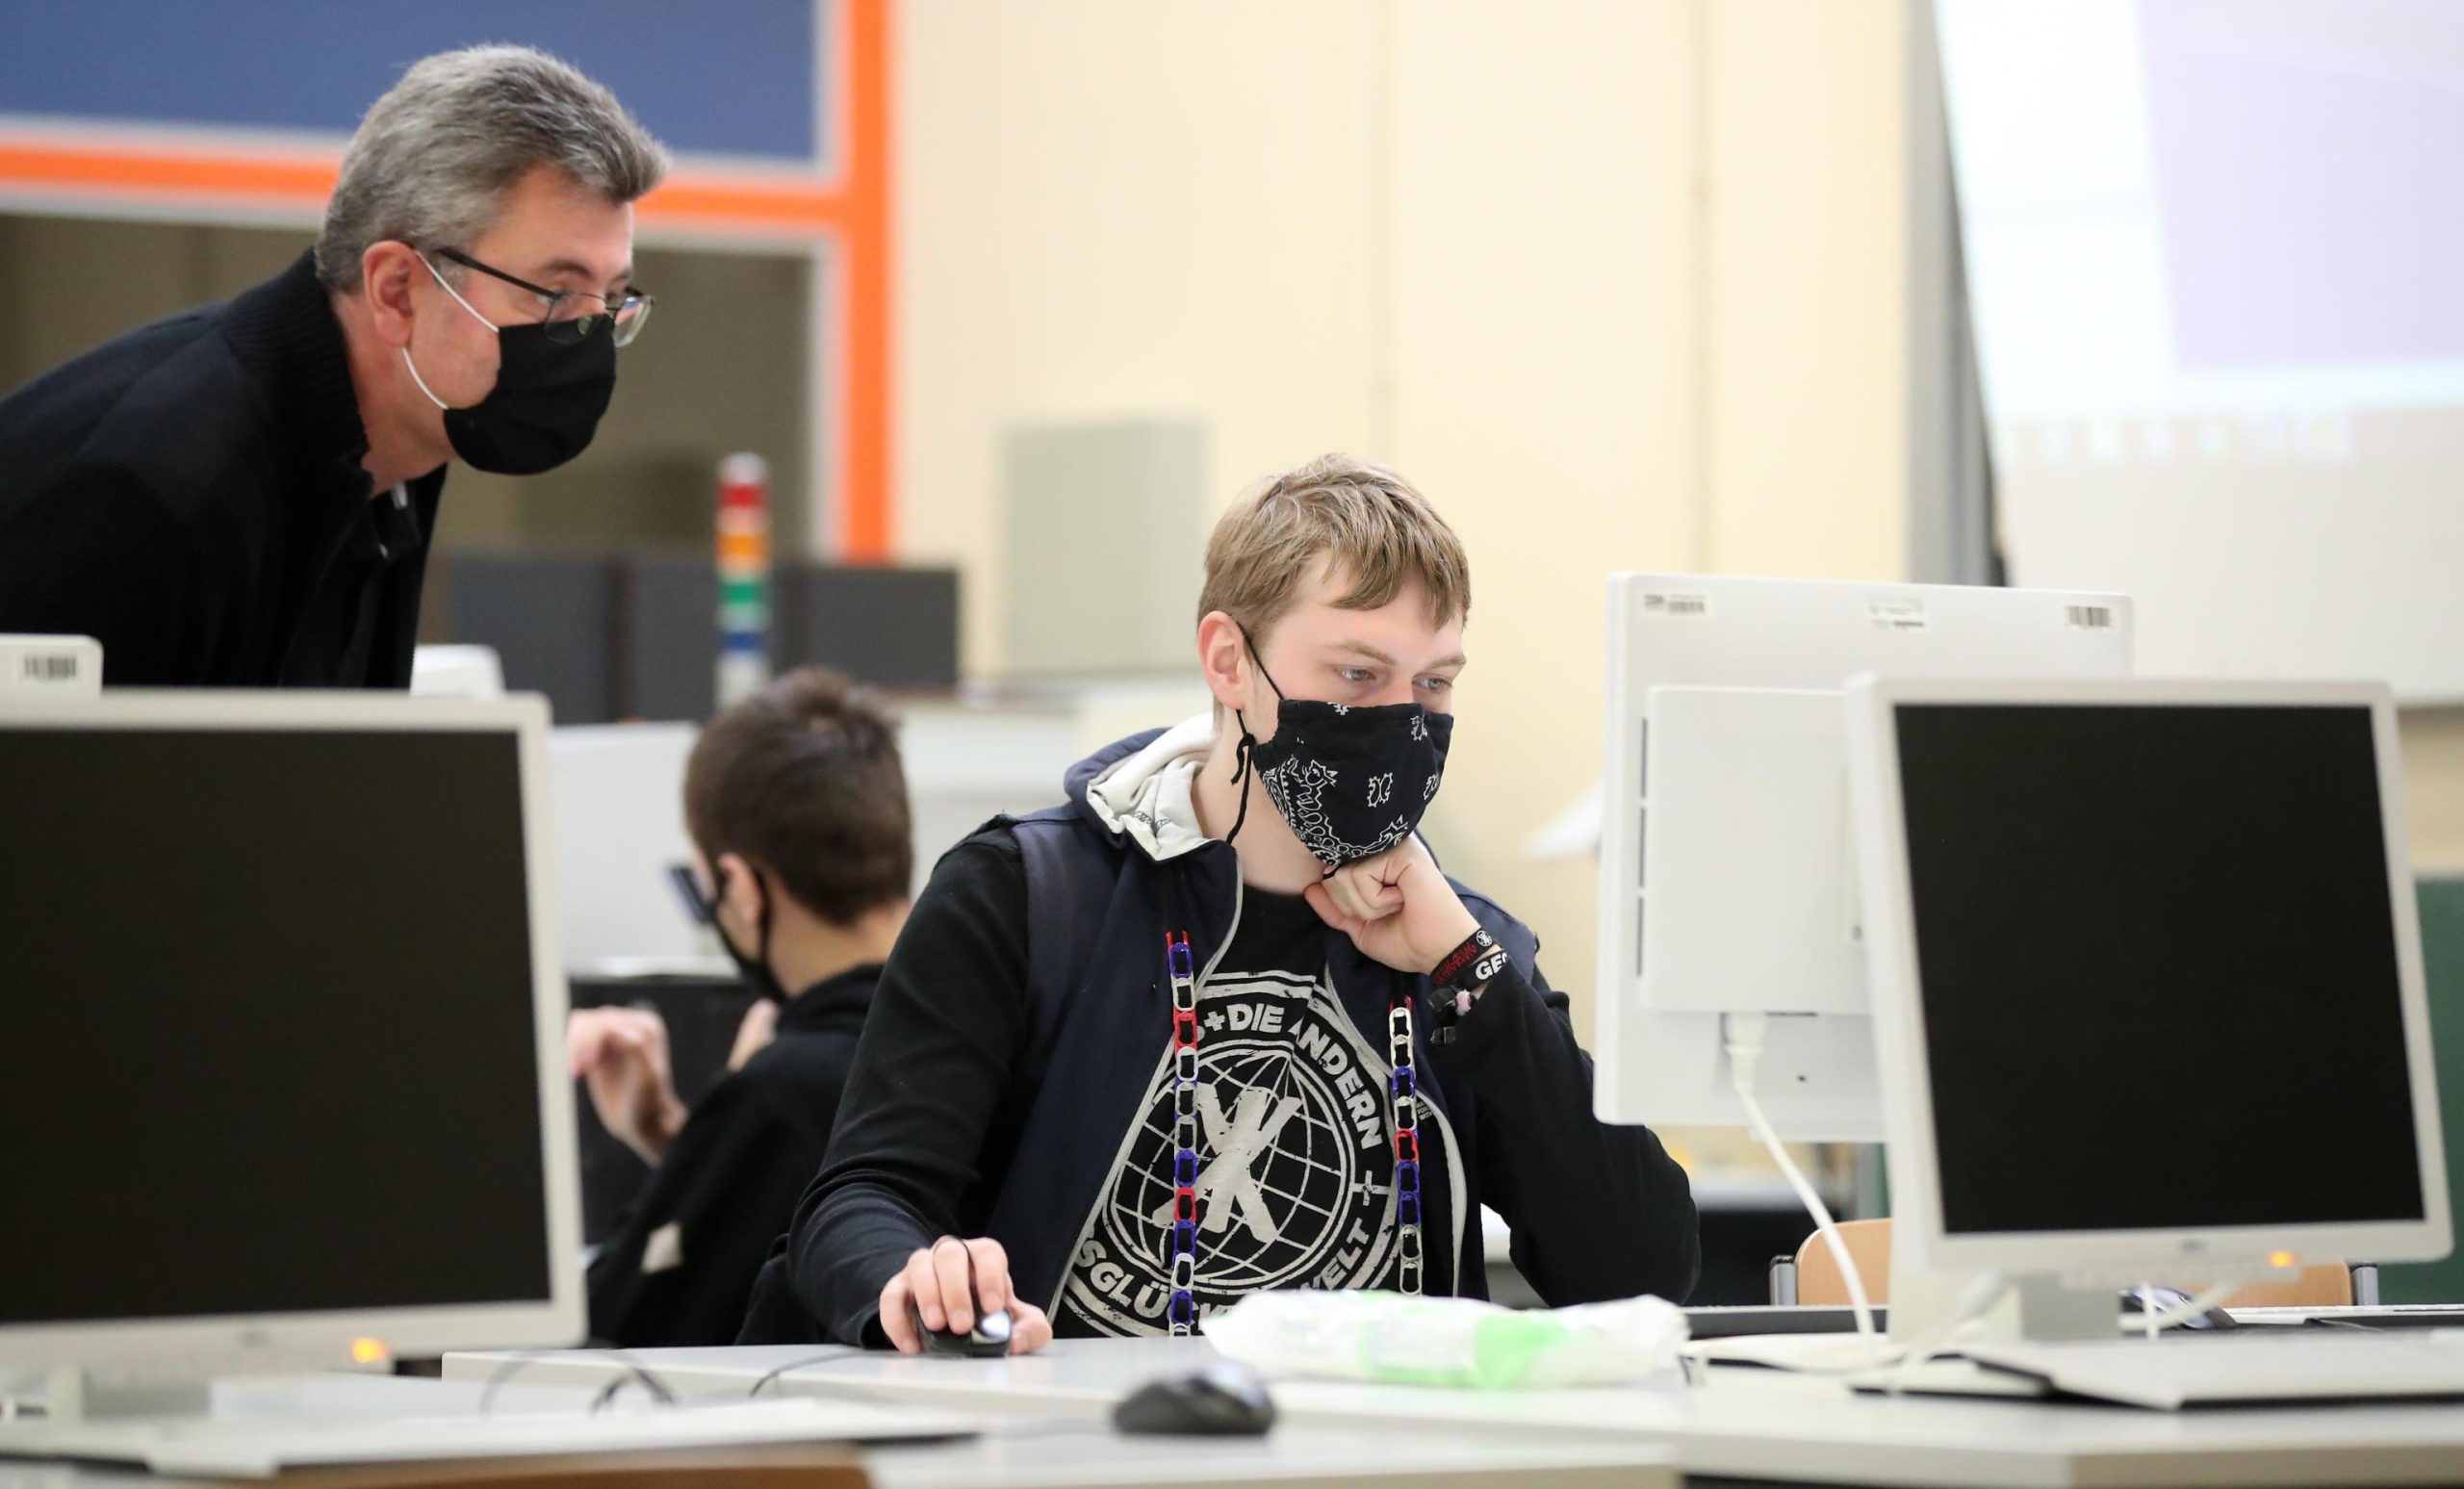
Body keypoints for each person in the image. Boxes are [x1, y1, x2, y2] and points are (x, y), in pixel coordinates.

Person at [745, 453, 1698, 1353]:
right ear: (1228, 659)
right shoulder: (1027, 894)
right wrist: (921, 1275)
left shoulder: (1463, 946)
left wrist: (1469, 974)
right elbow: (857, 1197)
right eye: (1357, 674)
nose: (1402, 718)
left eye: (1435, 683)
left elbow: (1639, 1270)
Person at [0, 46, 665, 686]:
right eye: (553, 293)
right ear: (397, 290)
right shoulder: (152, 499)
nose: (589, 335)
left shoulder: (398, 457)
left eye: (608, 299)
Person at [574, 667, 912, 1348]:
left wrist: (729, 1112)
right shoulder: (988, 1032)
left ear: (742, 889)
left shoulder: (779, 1091)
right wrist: (681, 1137)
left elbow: (616, 1329)